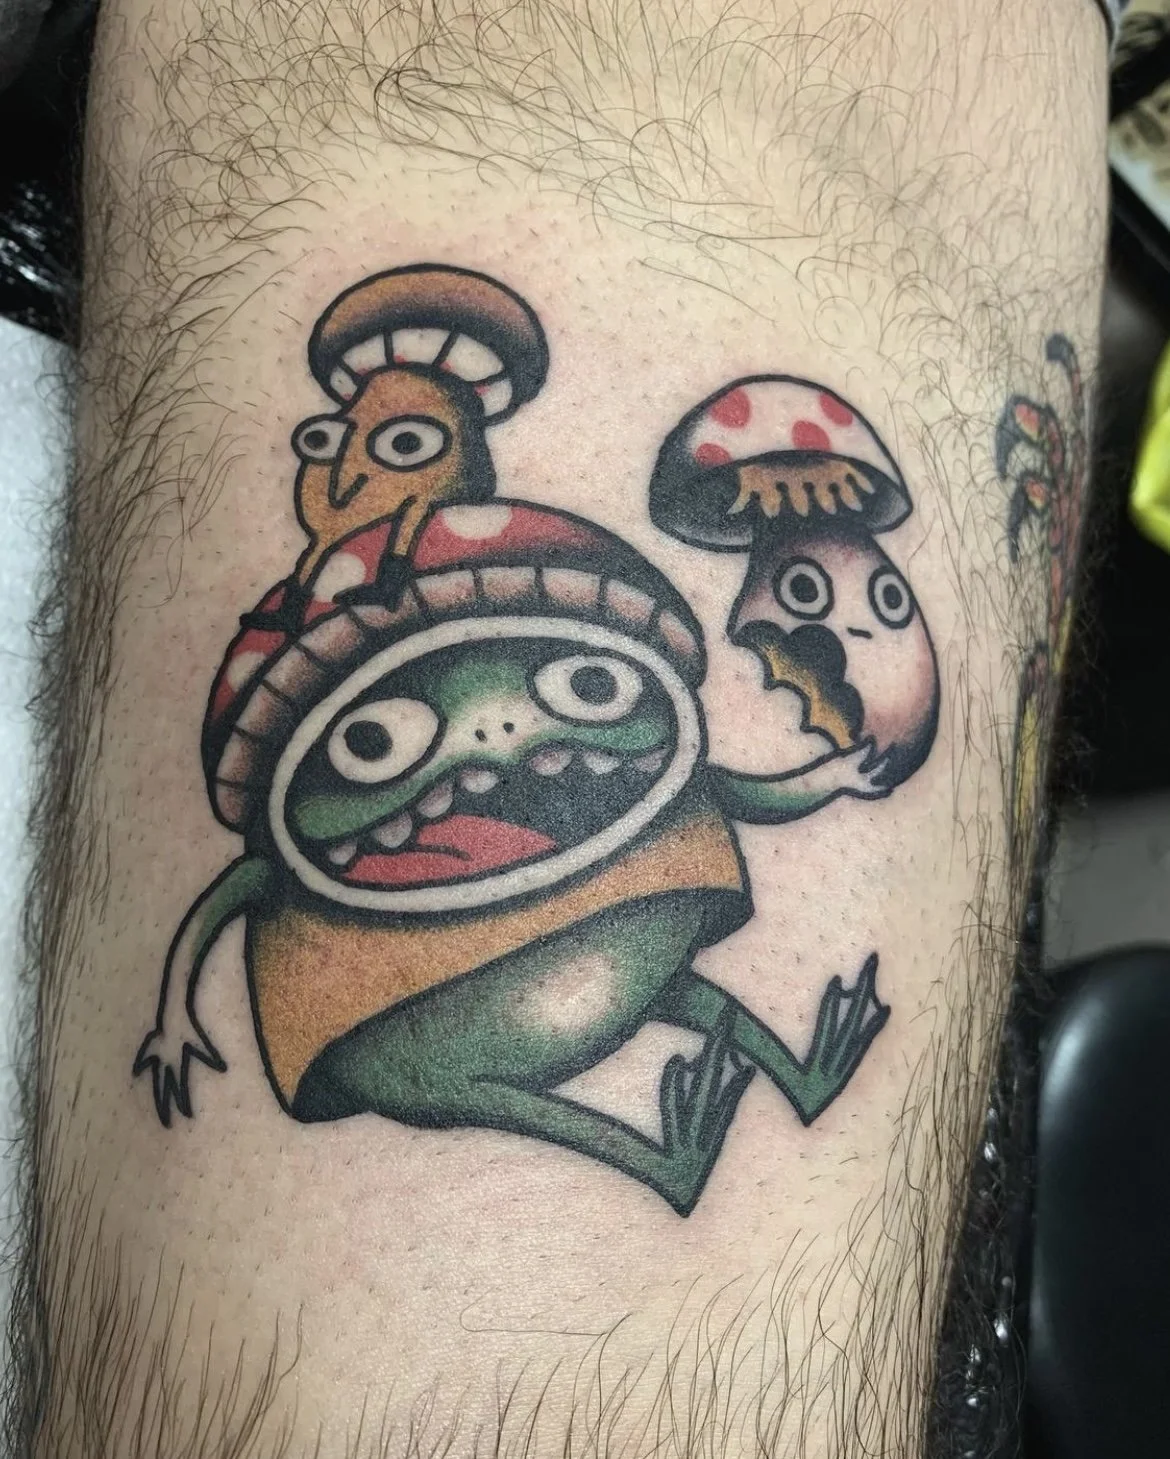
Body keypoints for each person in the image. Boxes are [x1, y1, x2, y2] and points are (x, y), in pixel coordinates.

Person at [9, 0, 1112, 1453]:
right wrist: (176, 1015)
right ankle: (674, 1145)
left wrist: (820, 771)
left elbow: (652, 135)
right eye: (385, 743)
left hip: (616, 935)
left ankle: (751, 1096)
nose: (489, 752)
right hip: (398, 1012)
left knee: (702, 1000)